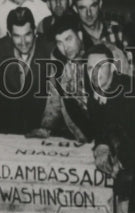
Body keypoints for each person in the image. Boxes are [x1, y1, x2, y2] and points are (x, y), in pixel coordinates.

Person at [85, 44, 135, 213]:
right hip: (121, 167)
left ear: (112, 67)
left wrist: (121, 160)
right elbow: (101, 128)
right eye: (89, 68)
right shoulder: (95, 94)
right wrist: (102, 145)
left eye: (100, 66)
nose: (94, 73)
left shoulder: (131, 90)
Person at [0, 6, 54, 135]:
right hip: (6, 131)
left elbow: (57, 98)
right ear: (9, 34)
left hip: (42, 131)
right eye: (17, 36)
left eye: (27, 34)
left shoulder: (49, 50)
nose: (23, 42)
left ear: (35, 31)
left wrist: (47, 127)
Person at [30, 13, 92, 142]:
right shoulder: (58, 59)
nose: (65, 48)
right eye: (59, 42)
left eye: (68, 39)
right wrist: (46, 127)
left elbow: (121, 110)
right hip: (80, 135)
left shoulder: (105, 55)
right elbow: (54, 99)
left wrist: (106, 143)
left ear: (80, 35)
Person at [73, 0, 129, 74]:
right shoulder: (74, 38)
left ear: (100, 4)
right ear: (75, 9)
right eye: (83, 8)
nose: (89, 13)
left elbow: (131, 67)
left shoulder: (116, 30)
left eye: (93, 6)